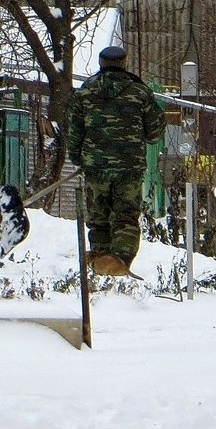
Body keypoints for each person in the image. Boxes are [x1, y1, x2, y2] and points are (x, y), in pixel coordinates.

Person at [67, 45, 166, 276]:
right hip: (129, 168)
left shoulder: (85, 93)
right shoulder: (140, 93)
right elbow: (155, 133)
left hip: (96, 167)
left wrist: (79, 158)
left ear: (101, 63)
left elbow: (74, 132)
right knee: (126, 215)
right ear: (124, 63)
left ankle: (100, 259)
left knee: (98, 216)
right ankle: (121, 260)